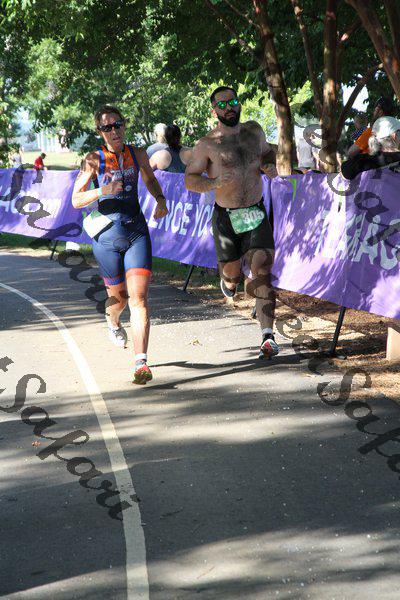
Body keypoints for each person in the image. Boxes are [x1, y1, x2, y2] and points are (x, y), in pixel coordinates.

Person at [72, 105, 168, 384]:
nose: (114, 130)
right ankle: (112, 321)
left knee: (139, 299)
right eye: (107, 127)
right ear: (100, 131)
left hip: (136, 232)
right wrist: (102, 190)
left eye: (118, 124)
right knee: (120, 300)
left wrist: (160, 200)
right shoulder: (94, 159)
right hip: (107, 237)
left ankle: (141, 362)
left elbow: (150, 179)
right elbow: (76, 200)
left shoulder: (137, 153)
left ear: (124, 125)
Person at [185, 85, 279, 359]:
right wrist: (213, 182)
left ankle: (268, 336)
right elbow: (190, 179)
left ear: (239, 103)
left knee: (263, 270)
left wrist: (268, 165)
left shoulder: (254, 131)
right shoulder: (207, 144)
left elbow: (268, 152)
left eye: (233, 102)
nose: (229, 108)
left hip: (255, 212)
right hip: (226, 216)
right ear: (214, 110)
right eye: (223, 105)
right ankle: (229, 282)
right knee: (232, 274)